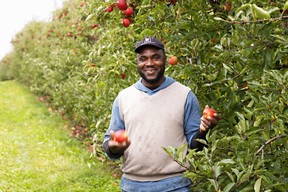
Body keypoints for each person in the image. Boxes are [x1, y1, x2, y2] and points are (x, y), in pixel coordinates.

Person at [102, 36, 219, 192]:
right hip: (133, 186)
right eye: (143, 59)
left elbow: (195, 147)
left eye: (155, 57)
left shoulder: (184, 95)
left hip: (176, 186)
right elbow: (110, 146)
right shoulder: (124, 98)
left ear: (164, 59)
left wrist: (203, 130)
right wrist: (114, 147)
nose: (149, 63)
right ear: (137, 63)